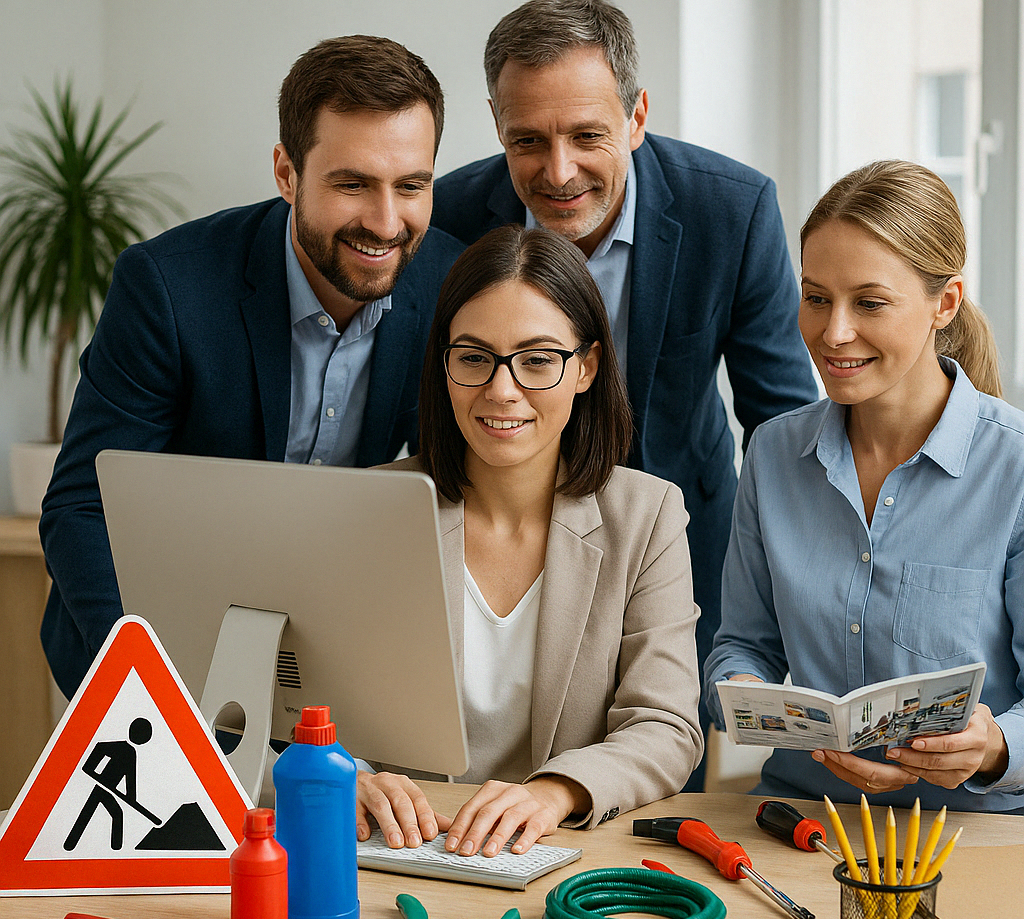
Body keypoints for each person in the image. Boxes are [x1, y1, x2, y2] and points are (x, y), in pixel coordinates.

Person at [431, 0, 818, 788]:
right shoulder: (448, 216)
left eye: (587, 136)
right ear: (497, 125)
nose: (558, 171)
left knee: (662, 763)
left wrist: (786, 623)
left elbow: (778, 419)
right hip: (499, 539)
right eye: (527, 140)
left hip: (674, 542)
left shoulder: (731, 210)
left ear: (637, 116)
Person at [40, 36, 464, 697]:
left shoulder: (452, 288)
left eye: (411, 186)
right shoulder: (167, 289)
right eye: (352, 184)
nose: (386, 223)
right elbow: (81, 506)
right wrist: (152, 684)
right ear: (286, 173)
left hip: (328, 656)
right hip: (147, 646)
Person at [360, 224, 703, 854]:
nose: (501, 389)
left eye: (538, 359)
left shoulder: (648, 514)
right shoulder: (371, 509)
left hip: (558, 856)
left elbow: (667, 726)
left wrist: (555, 791)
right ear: (444, 365)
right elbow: (291, 714)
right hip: (396, 852)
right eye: (473, 357)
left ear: (587, 368)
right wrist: (342, 776)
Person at [705, 160, 1024, 814]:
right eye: (816, 297)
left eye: (869, 303)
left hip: (966, 836)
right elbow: (742, 645)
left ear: (946, 302)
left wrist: (992, 745)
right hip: (801, 821)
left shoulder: (1013, 467)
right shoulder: (774, 453)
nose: (833, 332)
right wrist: (743, 692)